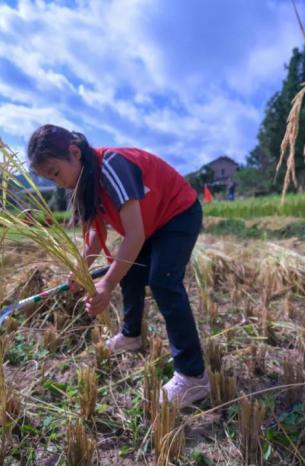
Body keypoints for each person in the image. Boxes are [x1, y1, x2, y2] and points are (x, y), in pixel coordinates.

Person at [27, 124, 209, 407]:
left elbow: (134, 235)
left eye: (55, 172)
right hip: (151, 223)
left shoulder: (111, 166)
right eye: (49, 178)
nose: (58, 182)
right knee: (131, 272)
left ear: (74, 153)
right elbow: (94, 236)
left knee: (163, 280)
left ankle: (193, 375)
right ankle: (131, 335)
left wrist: (107, 283)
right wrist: (81, 269)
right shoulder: (82, 183)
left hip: (178, 213)